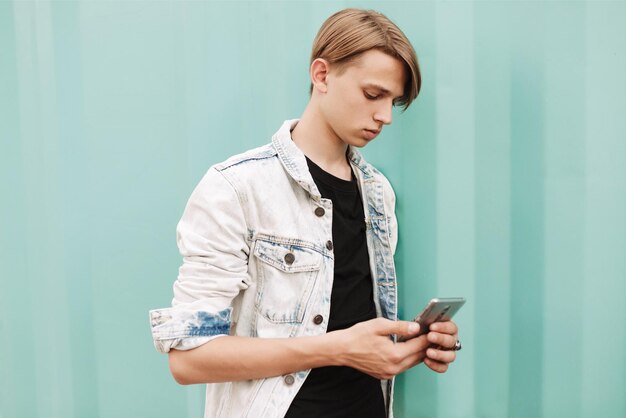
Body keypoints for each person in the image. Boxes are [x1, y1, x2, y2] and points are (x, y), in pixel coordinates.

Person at [149, 8, 460, 418]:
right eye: (373, 95)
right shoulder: (237, 188)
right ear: (321, 74)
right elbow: (188, 359)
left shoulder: (378, 193)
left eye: (393, 101)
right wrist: (338, 349)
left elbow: (349, 328)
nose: (385, 116)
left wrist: (413, 344)